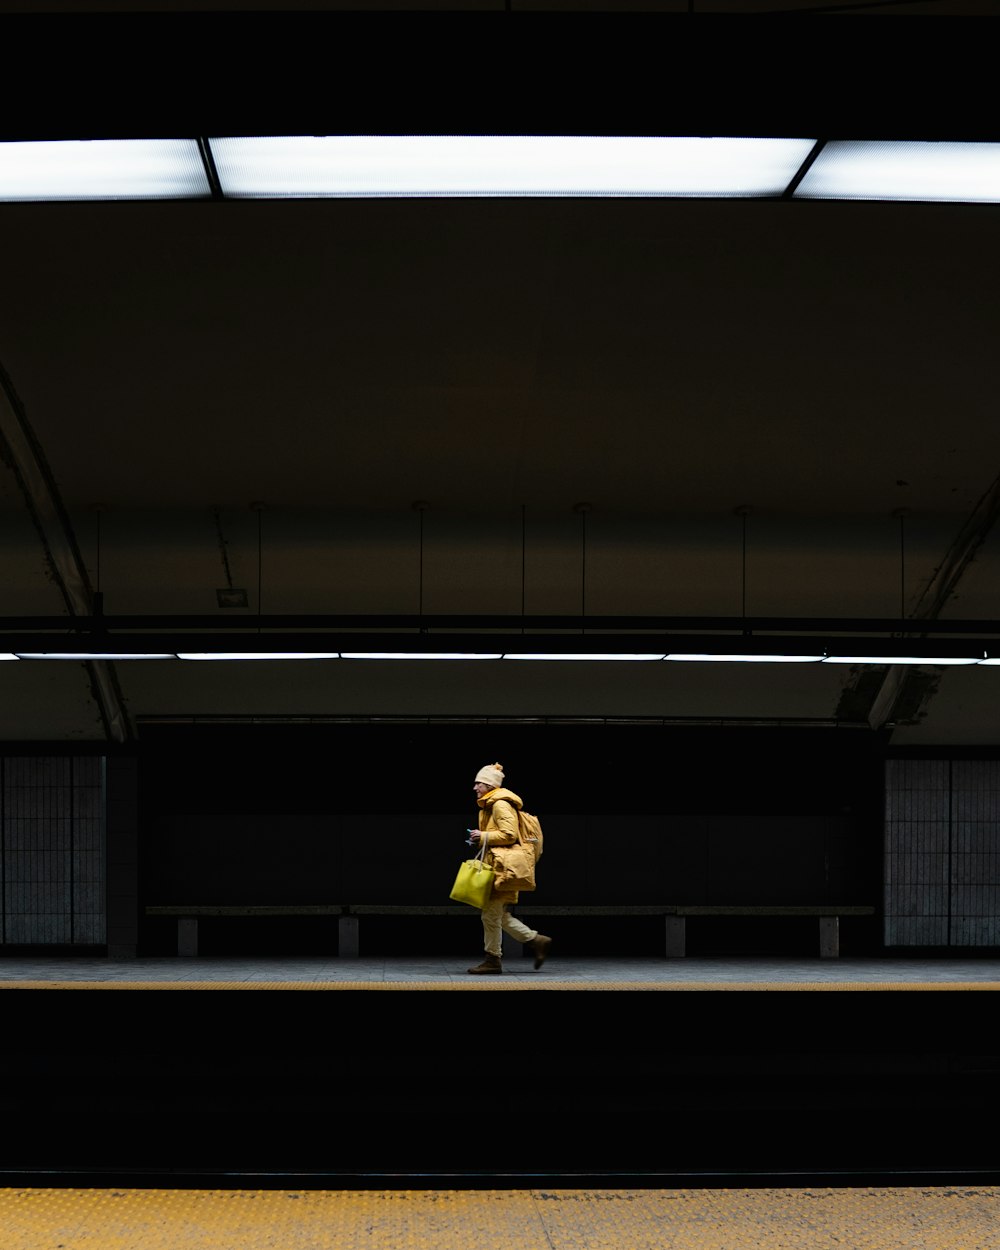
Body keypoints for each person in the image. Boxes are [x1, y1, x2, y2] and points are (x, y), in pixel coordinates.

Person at [466, 762, 551, 975]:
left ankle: (493, 959)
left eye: (479, 783)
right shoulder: (490, 805)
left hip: (503, 868)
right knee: (496, 915)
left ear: (490, 785)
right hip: (497, 865)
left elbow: (509, 835)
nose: (475, 788)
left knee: (490, 915)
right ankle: (535, 940)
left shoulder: (500, 804)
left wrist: (483, 836)